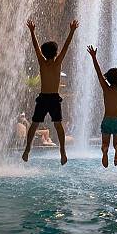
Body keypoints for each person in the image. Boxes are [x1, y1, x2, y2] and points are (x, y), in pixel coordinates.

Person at [22, 19, 78, 165]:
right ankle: (63, 151)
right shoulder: (58, 62)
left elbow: (36, 47)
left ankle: (28, 148)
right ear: (56, 53)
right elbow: (66, 47)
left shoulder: (41, 61)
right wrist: (71, 31)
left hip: (43, 98)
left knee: (34, 124)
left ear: (45, 53)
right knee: (58, 125)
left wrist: (32, 31)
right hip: (53, 98)